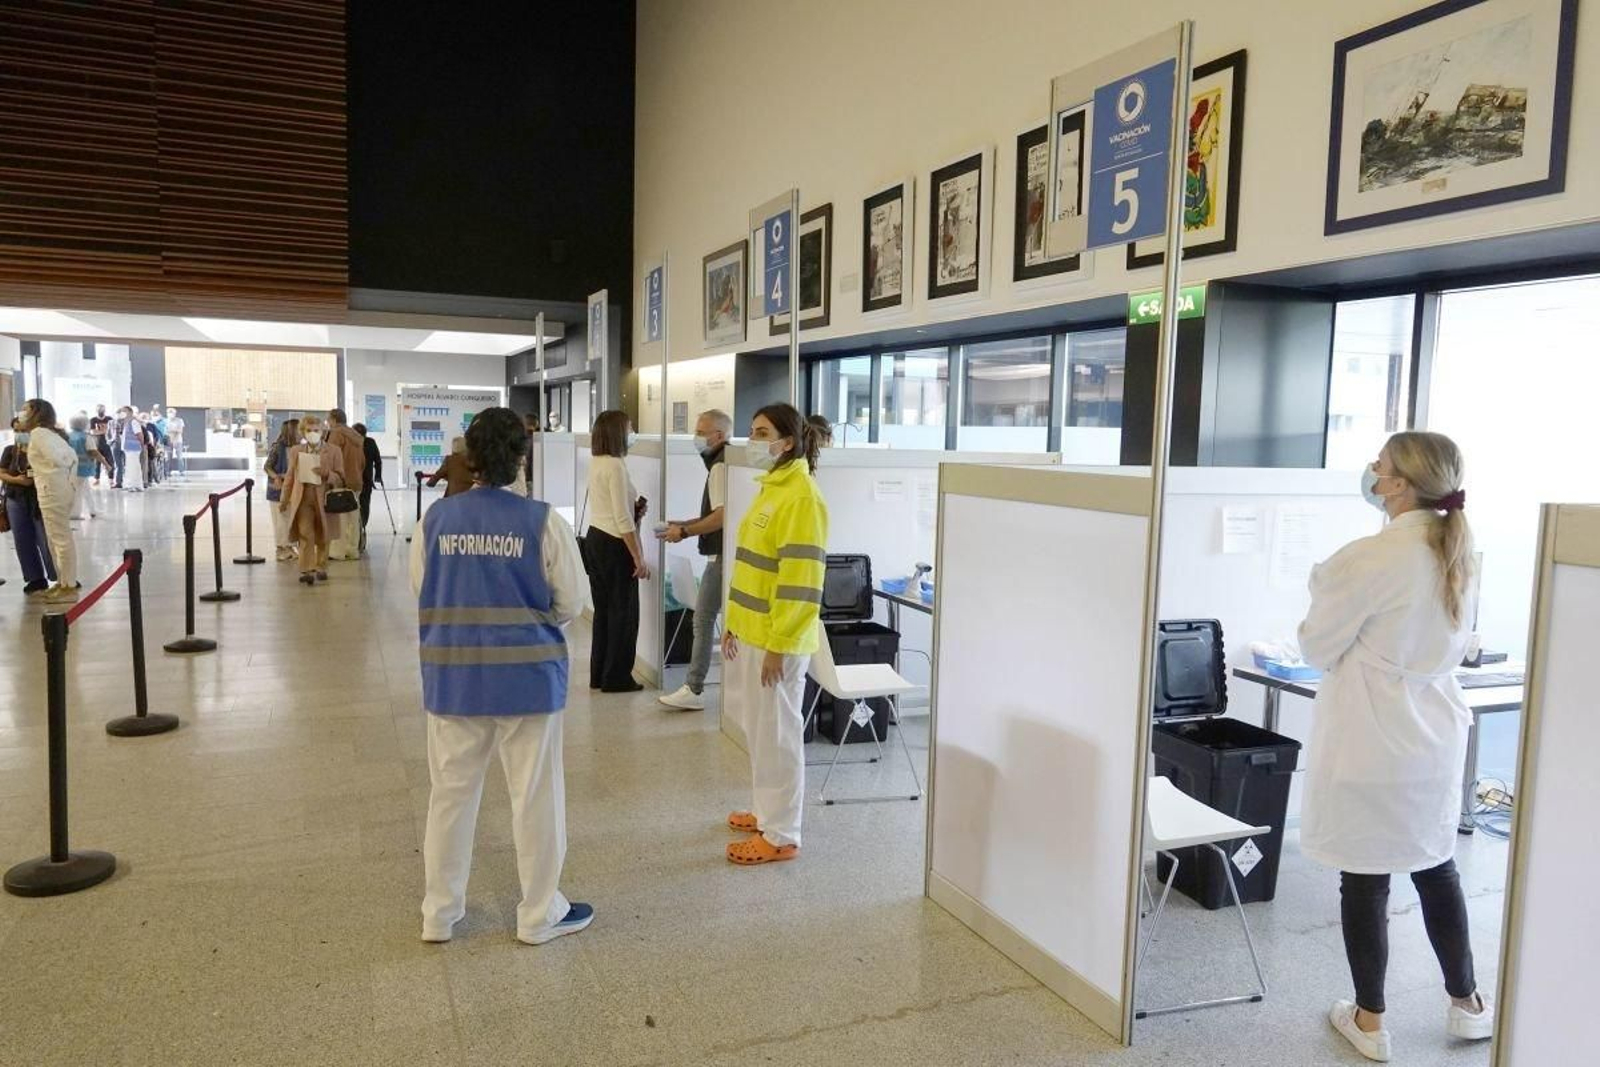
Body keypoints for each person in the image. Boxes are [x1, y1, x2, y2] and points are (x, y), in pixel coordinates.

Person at [1298, 432, 1493, 1062]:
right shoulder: (1459, 554)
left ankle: (1371, 1021)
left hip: (1372, 742)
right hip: (1433, 742)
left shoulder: (1368, 558)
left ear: (1401, 485)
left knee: (1365, 879)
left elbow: (1316, 646)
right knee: (1438, 866)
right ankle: (1467, 1004)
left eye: (1378, 467)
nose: (1372, 474)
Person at [409, 406, 591, 945]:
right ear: (520, 458)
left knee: (450, 795)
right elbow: (571, 601)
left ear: (469, 458)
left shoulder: (435, 521)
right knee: (534, 796)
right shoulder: (543, 521)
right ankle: (538, 913)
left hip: (453, 680)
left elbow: (422, 589)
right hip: (527, 681)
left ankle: (440, 914)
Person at [721, 403, 828, 865]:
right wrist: (733, 622)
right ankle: (766, 810)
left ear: (787, 442)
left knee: (779, 736)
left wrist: (779, 647)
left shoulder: (801, 498)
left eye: (762, 433)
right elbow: (752, 565)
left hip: (776, 641)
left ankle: (782, 833)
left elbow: (801, 584)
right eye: (752, 430)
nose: (753, 440)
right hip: (753, 633)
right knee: (761, 731)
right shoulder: (771, 488)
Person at [659, 409, 732, 711]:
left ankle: (694, 688)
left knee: (702, 619)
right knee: (705, 619)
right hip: (723, 552)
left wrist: (685, 531)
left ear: (719, 435)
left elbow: (722, 516)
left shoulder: (720, 467)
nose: (696, 437)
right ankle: (695, 686)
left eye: (702, 432)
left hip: (722, 556)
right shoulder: (723, 462)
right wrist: (682, 524)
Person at [583, 411, 649, 693]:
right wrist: (638, 557)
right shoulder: (616, 466)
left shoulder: (597, 461)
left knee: (604, 612)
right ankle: (618, 677)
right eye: (630, 428)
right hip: (614, 544)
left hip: (595, 538)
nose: (632, 433)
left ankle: (599, 674)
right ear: (617, 432)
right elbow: (622, 519)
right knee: (624, 613)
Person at [18, 399, 81, 602]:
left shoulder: (39, 434)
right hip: (58, 488)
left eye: (26, 409)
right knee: (55, 539)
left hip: (52, 490)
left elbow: (61, 458)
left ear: (36, 412)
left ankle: (68, 584)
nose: (22, 413)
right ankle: (63, 582)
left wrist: (53, 472)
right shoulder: (49, 433)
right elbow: (71, 457)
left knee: (59, 539)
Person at [279, 414, 344, 586]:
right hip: (303, 499)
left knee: (324, 533)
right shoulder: (296, 451)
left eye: (316, 430)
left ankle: (321, 567)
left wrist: (327, 474)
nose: (313, 433)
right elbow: (290, 477)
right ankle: (306, 570)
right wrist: (284, 499)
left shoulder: (334, 451)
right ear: (303, 432)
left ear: (322, 432)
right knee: (305, 533)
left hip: (325, 499)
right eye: (309, 430)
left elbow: (340, 478)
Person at [1, 418, 58, 595]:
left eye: (23, 431)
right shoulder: (10, 451)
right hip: (15, 499)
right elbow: (2, 472)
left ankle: (59, 576)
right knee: (22, 540)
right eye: (16, 431)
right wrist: (16, 480)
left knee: (45, 539)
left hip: (40, 499)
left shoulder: (41, 451)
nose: (20, 434)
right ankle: (35, 578)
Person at [326, 408, 365, 561]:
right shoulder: (356, 436)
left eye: (328, 419)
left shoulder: (336, 434)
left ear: (334, 420)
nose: (327, 422)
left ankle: (338, 552)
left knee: (339, 518)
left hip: (340, 481)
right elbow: (362, 462)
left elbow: (330, 458)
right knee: (353, 518)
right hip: (356, 481)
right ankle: (352, 550)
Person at [264, 419, 300, 562]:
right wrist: (277, 477)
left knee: (290, 519)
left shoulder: (299, 448)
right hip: (278, 490)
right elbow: (267, 466)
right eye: (298, 429)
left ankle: (290, 546)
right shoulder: (278, 447)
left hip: (293, 488)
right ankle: (281, 548)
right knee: (280, 520)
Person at [66, 414, 104, 521]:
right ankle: (75, 514)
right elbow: (93, 452)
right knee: (78, 492)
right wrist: (105, 462)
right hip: (83, 468)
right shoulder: (86, 437)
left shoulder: (67, 436)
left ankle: (93, 510)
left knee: (86, 489)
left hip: (70, 467)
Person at [354, 422, 382, 554]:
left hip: (355, 480)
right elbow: (378, 460)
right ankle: (362, 526)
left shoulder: (353, 442)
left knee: (356, 506)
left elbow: (377, 460)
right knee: (364, 505)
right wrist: (378, 476)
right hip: (366, 480)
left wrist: (378, 475)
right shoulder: (370, 442)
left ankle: (359, 529)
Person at [117, 407, 144, 491]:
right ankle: (132, 485)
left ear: (130, 412)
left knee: (133, 467)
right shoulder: (126, 423)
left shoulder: (133, 422)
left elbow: (139, 434)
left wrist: (141, 445)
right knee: (131, 467)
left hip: (133, 448)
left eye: (124, 411)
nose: (122, 413)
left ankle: (133, 485)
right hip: (128, 448)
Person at [89, 405, 113, 486]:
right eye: (99, 409)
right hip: (97, 444)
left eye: (102, 409)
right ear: (96, 410)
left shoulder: (109, 419)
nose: (101, 411)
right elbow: (92, 432)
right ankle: (97, 479)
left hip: (108, 444)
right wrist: (105, 431)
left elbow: (112, 431)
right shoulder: (93, 420)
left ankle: (111, 479)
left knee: (110, 461)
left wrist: (99, 431)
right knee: (97, 462)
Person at [165, 406, 186, 476]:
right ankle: (168, 471)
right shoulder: (165, 421)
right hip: (168, 441)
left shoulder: (179, 420)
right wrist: (174, 430)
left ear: (175, 413)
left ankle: (181, 471)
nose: (170, 414)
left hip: (178, 441)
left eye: (172, 413)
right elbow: (165, 431)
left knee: (179, 457)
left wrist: (172, 431)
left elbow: (180, 431)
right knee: (168, 457)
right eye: (169, 412)